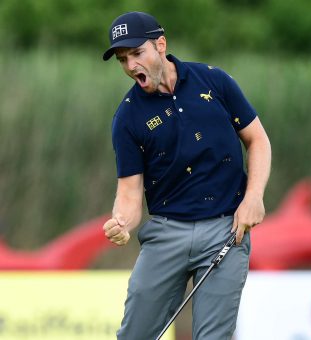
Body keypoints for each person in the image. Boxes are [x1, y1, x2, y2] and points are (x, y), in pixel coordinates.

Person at [102, 11, 271, 340]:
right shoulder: (127, 117)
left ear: (160, 45)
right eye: (123, 59)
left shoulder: (214, 80)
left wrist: (254, 198)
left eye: (137, 53)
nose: (130, 65)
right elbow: (129, 193)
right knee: (134, 335)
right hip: (166, 235)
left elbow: (258, 140)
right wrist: (122, 221)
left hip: (227, 230)